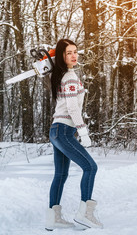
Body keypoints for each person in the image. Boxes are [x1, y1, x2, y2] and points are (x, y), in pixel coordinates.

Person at [45, 39, 103, 231]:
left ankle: (53, 218)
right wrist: (83, 130)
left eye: (75, 51)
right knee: (90, 167)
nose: (74, 55)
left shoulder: (63, 75)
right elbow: (72, 107)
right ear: (61, 56)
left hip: (57, 130)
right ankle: (84, 214)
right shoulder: (69, 78)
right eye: (69, 52)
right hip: (63, 130)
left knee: (61, 174)